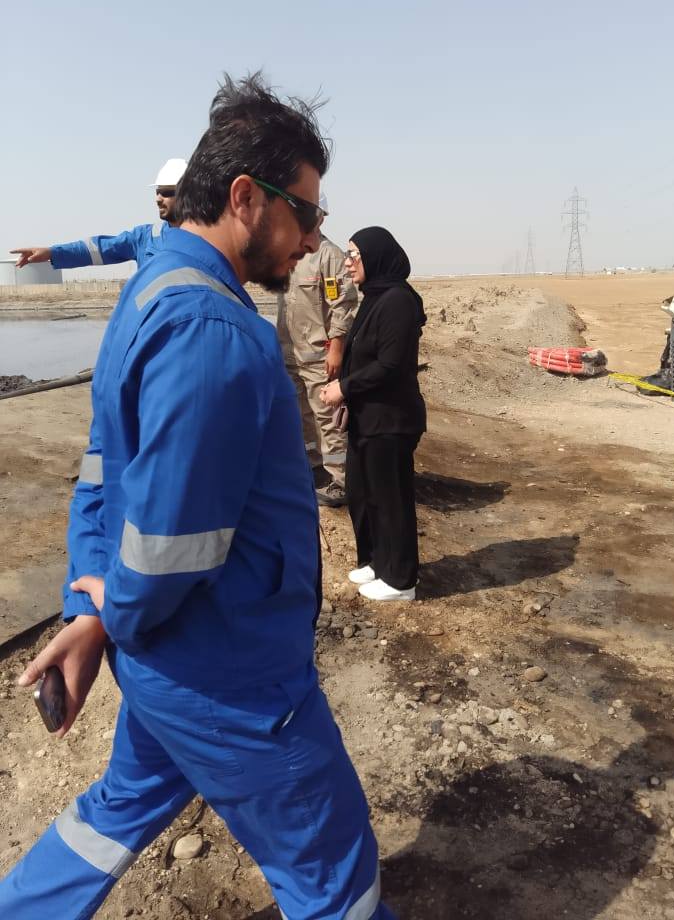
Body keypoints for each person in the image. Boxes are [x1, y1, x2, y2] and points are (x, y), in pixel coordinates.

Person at [0, 75, 396, 920]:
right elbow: (169, 548)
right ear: (246, 198)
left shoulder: (153, 290)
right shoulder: (214, 330)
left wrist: (91, 609)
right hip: (230, 678)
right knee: (335, 871)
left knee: (115, 813)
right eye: (307, 213)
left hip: (167, 667)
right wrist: (117, 608)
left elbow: (104, 471)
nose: (313, 239)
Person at [320, 227, 426, 602]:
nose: (348, 263)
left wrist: (344, 388)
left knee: (390, 499)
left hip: (391, 419)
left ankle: (400, 580)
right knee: (363, 493)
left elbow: (391, 365)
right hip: (369, 417)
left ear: (375, 256)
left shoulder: (398, 301)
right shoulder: (376, 297)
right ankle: (376, 561)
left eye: (354, 255)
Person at [277, 195, 358, 507]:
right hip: (289, 355)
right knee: (300, 417)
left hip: (319, 358)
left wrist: (336, 349)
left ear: (321, 216)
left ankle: (341, 480)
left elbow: (343, 306)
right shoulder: (288, 254)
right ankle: (313, 469)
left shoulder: (329, 255)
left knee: (327, 419)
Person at [10, 157, 187, 271]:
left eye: (166, 193)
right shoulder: (145, 238)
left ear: (188, 195)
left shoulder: (203, 239)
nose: (158, 199)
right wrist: (52, 252)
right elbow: (98, 248)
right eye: (157, 192)